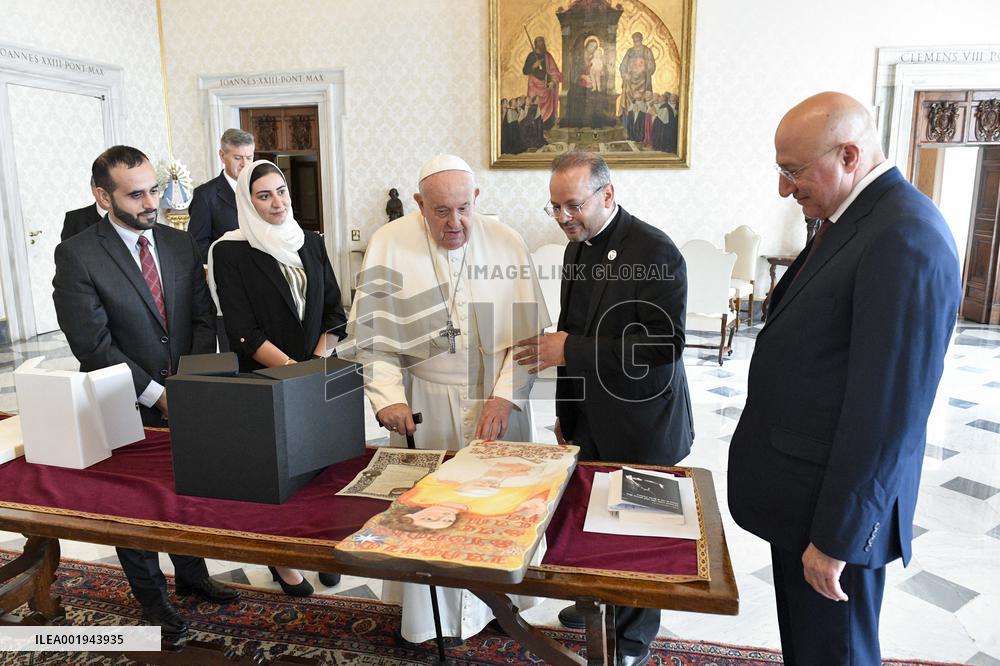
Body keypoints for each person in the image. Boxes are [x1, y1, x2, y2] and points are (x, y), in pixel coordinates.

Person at [727, 92, 961, 665]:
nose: (784, 188)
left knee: (838, 653)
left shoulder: (905, 236)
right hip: (806, 503)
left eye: (793, 171)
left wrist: (837, 539)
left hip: (833, 517)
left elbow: (889, 416)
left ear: (850, 156)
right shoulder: (853, 219)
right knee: (812, 651)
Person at [343, 153, 550, 644]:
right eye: (441, 211)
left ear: (477, 199)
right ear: (418, 204)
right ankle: (431, 618)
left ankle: (500, 607)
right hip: (427, 402)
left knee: (496, 511)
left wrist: (505, 398)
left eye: (463, 208)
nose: (455, 222)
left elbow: (527, 336)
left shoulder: (507, 242)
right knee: (429, 516)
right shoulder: (388, 244)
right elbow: (373, 337)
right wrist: (387, 396)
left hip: (497, 404)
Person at [52, 145, 239, 641]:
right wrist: (157, 393)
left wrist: (192, 383)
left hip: (185, 392)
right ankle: (154, 606)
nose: (150, 202)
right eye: (135, 195)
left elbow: (202, 316)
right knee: (134, 508)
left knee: (184, 488)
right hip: (121, 398)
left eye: (153, 189)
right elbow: (92, 344)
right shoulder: (78, 254)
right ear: (102, 195)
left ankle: (194, 580)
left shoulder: (179, 245)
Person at [515, 150, 693, 666]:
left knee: (637, 532)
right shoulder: (574, 249)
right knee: (591, 519)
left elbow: (663, 347)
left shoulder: (655, 250)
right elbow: (574, 327)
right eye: (555, 207)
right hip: (590, 417)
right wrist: (567, 414)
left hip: (642, 422)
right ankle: (597, 602)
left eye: (573, 205)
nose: (563, 217)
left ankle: (633, 638)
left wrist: (569, 350)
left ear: (607, 195)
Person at [209, 159, 347, 595]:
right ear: (246, 202)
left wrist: (318, 362)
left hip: (316, 376)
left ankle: (320, 549)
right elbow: (242, 330)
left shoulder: (311, 242)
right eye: (263, 195)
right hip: (267, 382)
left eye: (281, 191)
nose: (276, 202)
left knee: (323, 475)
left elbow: (334, 311)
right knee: (281, 479)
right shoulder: (230, 251)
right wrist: (293, 372)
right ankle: (281, 559)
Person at [187, 128, 255, 263]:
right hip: (230, 274)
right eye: (238, 158)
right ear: (222, 156)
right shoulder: (205, 195)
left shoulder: (261, 189)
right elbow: (198, 247)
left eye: (249, 158)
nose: (245, 164)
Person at [522, 36, 562, 131]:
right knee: (534, 107)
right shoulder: (531, 56)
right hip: (534, 86)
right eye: (539, 42)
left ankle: (547, 129)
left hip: (546, 87)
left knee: (548, 110)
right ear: (535, 44)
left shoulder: (547, 56)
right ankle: (534, 130)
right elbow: (525, 71)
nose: (542, 44)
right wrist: (533, 66)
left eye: (542, 42)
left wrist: (553, 81)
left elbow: (554, 71)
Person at [619, 32, 656, 111]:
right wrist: (624, 74)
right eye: (635, 41)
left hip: (643, 79)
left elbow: (651, 65)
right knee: (627, 92)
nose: (636, 43)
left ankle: (641, 117)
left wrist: (644, 69)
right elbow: (623, 64)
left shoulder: (647, 51)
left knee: (643, 98)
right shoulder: (630, 51)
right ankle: (629, 115)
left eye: (638, 41)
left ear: (641, 40)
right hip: (630, 79)